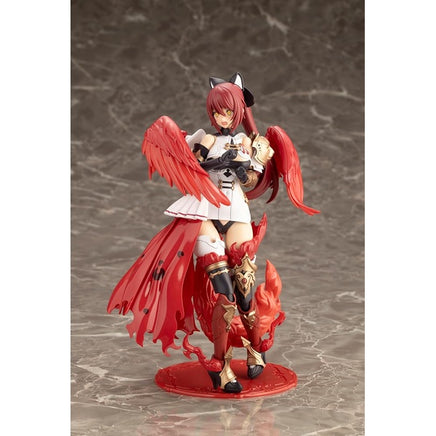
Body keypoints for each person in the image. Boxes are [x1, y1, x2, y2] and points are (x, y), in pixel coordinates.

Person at [107, 73, 319, 394]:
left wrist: (243, 166)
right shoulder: (205, 139)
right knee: (224, 295)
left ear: (237, 111)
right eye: (217, 111)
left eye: (228, 111)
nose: (223, 117)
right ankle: (220, 364)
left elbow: (251, 182)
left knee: (244, 292)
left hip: (237, 214)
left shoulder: (249, 142)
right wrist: (219, 161)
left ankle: (255, 347)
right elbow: (192, 169)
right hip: (205, 213)